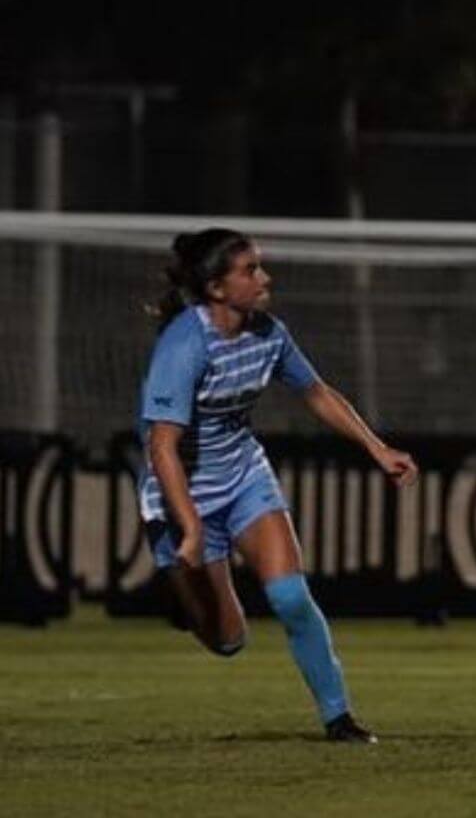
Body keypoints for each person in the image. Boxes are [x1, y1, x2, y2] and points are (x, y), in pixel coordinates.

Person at [138, 228, 418, 742]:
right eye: (251, 270)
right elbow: (162, 448)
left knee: (290, 597)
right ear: (218, 289)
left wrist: (378, 448)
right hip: (183, 494)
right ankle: (185, 603)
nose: (265, 278)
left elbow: (316, 392)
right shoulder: (184, 346)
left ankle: (339, 719)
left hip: (244, 477)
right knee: (228, 640)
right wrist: (192, 526)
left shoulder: (269, 333)